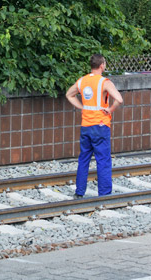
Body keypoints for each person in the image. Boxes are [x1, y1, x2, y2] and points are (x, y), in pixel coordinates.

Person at [65, 54, 123, 198]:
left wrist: (82, 107)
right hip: (101, 126)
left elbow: (69, 95)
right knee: (103, 160)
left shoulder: (82, 81)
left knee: (83, 159)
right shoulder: (105, 82)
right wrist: (110, 110)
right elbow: (119, 100)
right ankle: (104, 194)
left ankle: (79, 192)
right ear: (102, 65)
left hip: (86, 126)